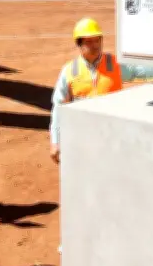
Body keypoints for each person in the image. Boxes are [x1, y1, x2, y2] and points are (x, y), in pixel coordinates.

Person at [49, 18, 123, 165]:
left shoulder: (115, 64)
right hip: (82, 140)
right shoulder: (69, 71)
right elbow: (58, 109)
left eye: (97, 41)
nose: (95, 46)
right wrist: (55, 142)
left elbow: (144, 70)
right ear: (79, 44)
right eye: (89, 42)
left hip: (112, 138)